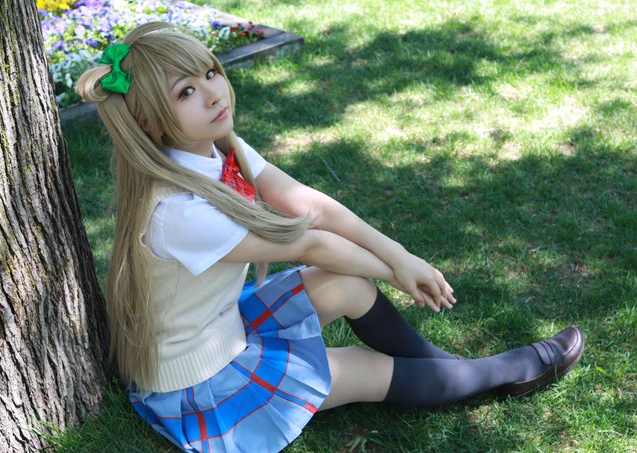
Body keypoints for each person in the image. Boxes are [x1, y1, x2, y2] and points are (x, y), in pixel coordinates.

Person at [76, 22, 585, 453]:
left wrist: (399, 254)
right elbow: (310, 243)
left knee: (349, 285)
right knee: (363, 369)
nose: (213, 93)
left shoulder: (216, 147)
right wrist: (398, 272)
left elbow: (310, 205)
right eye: (185, 92)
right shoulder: (176, 212)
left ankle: (456, 372)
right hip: (199, 379)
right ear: (150, 123)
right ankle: (507, 371)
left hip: (223, 325)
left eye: (210, 72)